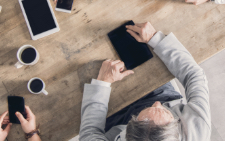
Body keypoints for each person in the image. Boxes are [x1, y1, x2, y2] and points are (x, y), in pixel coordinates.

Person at [80, 22, 211, 141]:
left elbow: (89, 133)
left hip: (117, 119)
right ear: (177, 128)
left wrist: (102, 83)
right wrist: (156, 39)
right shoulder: (198, 130)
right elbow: (194, 76)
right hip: (162, 94)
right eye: (164, 111)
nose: (157, 104)